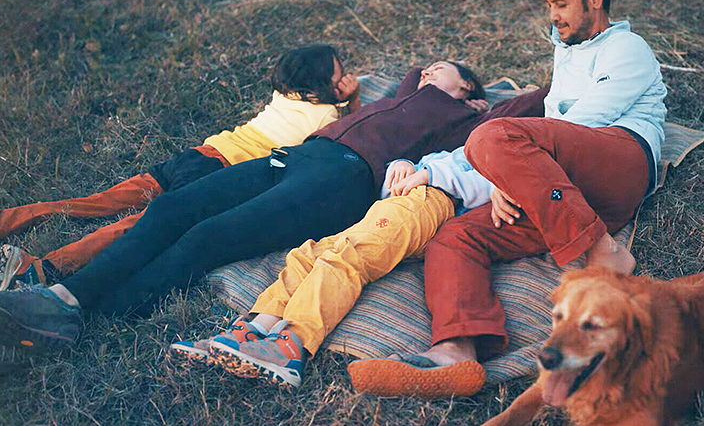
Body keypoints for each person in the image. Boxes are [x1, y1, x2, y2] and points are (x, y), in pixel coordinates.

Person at [0, 60, 548, 354]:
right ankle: (57, 300)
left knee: (210, 237)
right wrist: (421, 78)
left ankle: (81, 318)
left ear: (469, 90)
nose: (425, 69)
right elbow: (402, 78)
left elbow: (535, 100)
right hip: (300, 155)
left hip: (346, 183)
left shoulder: (472, 118)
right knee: (172, 212)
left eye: (441, 67)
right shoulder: (404, 93)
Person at [348, 0, 668, 398]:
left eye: (561, 5)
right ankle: (456, 351)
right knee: (454, 237)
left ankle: (604, 252)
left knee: (490, 137)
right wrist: (511, 173)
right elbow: (544, 134)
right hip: (568, 194)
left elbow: (581, 125)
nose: (552, 16)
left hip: (618, 161)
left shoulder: (627, 49)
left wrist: (506, 170)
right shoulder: (567, 50)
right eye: (549, 5)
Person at [0, 45, 360, 292]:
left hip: (198, 154)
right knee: (135, 226)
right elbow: (338, 139)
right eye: (339, 75)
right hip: (219, 172)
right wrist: (352, 98)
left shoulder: (283, 94)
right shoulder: (326, 112)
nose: (344, 78)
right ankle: (43, 269)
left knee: (98, 202)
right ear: (322, 87)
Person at [170, 145, 495, 388]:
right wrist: (404, 165)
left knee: (348, 257)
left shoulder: (506, 151)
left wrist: (429, 175)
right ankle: (251, 332)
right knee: (307, 254)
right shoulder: (471, 144)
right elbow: (431, 159)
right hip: (398, 202)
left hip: (431, 202)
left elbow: (488, 182)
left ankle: (291, 345)